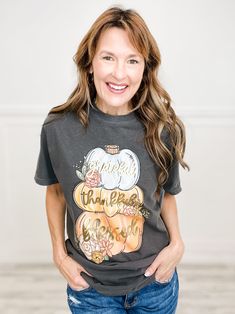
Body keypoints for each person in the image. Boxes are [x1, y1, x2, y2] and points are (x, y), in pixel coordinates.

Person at [34, 5, 190, 314]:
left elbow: (166, 194)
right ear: (90, 62)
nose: (120, 73)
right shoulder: (58, 127)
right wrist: (59, 254)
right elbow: (55, 192)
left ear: (145, 68)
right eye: (108, 57)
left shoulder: (163, 129)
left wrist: (177, 246)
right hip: (91, 290)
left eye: (132, 60)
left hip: (154, 284)